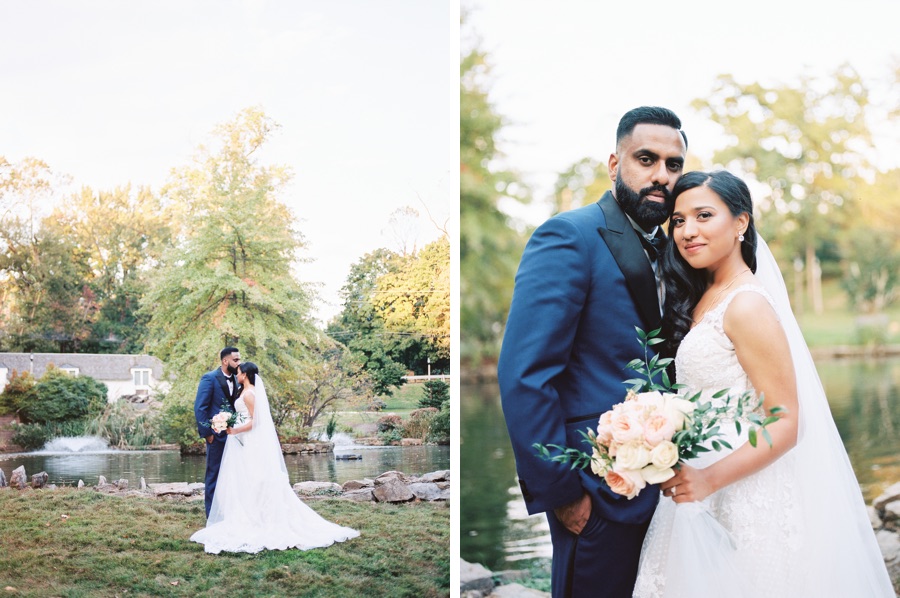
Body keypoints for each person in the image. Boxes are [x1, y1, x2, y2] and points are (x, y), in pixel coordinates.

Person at [633, 170, 894, 597]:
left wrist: (709, 480)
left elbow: (787, 421)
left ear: (740, 223)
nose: (687, 231)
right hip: (700, 488)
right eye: (678, 221)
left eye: (703, 215)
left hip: (743, 490)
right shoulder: (705, 295)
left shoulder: (747, 304)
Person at [497, 106, 688, 597]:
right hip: (597, 493)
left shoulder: (680, 251)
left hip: (670, 492)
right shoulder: (569, 236)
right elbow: (525, 374)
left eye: (673, 165)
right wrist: (563, 493)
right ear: (614, 163)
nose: (660, 176)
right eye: (646, 159)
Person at [190, 362, 359, 554]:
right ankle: (245, 513)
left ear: (245, 374)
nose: (236, 376)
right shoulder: (244, 392)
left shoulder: (250, 394)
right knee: (244, 479)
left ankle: (259, 517)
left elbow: (255, 422)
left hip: (248, 440)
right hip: (241, 441)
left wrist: (234, 429)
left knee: (255, 477)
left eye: (238, 373)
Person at [194, 346, 242, 518]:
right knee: (213, 475)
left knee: (233, 476)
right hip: (216, 437)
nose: (239, 363)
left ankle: (229, 513)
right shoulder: (209, 378)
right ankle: (211, 517)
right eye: (236, 360)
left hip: (234, 437)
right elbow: (200, 408)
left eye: (239, 359)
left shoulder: (238, 379)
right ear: (225, 361)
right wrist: (208, 434)